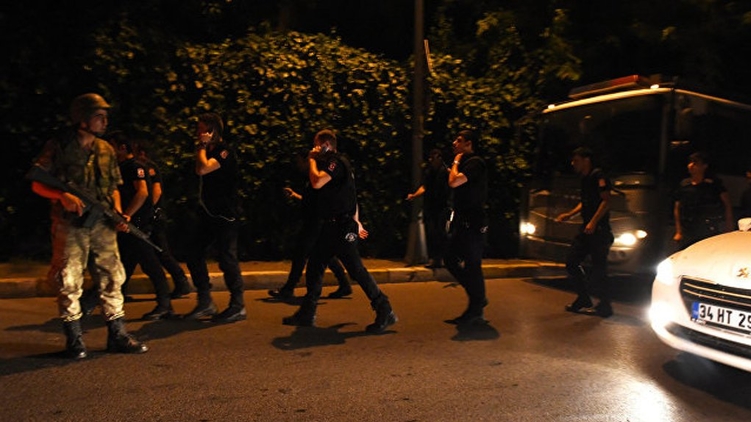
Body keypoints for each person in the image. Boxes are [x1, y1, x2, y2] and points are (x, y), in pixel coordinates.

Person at [30, 93, 148, 359]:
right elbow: (37, 182)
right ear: (82, 119)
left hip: (102, 224)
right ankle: (74, 340)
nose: (104, 121)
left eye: (105, 116)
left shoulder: (106, 149)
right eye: (99, 116)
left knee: (112, 276)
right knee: (68, 278)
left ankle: (117, 334)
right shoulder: (60, 146)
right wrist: (62, 196)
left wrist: (118, 214)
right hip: (70, 225)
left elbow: (113, 187)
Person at [283, 129, 397, 333]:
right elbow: (350, 195)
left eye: (317, 144)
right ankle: (307, 312)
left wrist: (311, 159)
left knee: (355, 269)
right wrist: (357, 221)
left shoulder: (336, 163)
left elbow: (317, 182)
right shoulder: (332, 165)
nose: (314, 148)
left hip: (342, 227)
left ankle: (384, 308)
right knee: (315, 265)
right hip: (331, 226)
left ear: (326, 145)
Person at [184, 112, 246, 323]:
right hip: (209, 213)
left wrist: (202, 146)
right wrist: (202, 148)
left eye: (201, 129)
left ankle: (237, 305)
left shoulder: (224, 151)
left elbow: (203, 169)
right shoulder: (208, 151)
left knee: (227, 258)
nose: (197, 133)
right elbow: (199, 169)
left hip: (226, 215)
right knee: (193, 251)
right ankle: (205, 301)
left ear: (212, 131)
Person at [268, 150, 353, 299]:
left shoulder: (318, 174)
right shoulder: (313, 175)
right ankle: (344, 284)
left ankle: (290, 288)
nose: (298, 165)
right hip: (317, 220)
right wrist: (296, 195)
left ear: (307, 160)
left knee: (301, 253)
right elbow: (312, 200)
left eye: (299, 161)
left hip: (315, 221)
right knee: (325, 254)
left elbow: (319, 198)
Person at [109, 132, 174, 320]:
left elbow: (143, 192)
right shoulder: (122, 167)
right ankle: (110, 299)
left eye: (112, 146)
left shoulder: (135, 166)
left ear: (122, 148)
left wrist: (128, 215)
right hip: (129, 222)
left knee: (149, 263)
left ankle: (165, 305)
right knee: (124, 262)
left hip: (137, 223)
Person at [555, 147, 614, 318]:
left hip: (599, 230)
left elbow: (606, 201)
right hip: (587, 229)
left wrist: (594, 222)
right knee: (571, 262)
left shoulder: (598, 176)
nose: (573, 163)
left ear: (586, 160)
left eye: (576, 160)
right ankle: (583, 298)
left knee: (599, 268)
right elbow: (585, 202)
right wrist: (569, 214)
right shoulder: (585, 178)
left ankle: (605, 306)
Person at [134, 142, 192, 299]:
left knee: (161, 252)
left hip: (153, 218)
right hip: (148, 217)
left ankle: (181, 283)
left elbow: (157, 191)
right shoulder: (142, 167)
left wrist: (148, 210)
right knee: (144, 254)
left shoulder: (148, 168)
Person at [443, 130, 489, 325]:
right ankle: (477, 298)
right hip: (463, 222)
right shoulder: (467, 163)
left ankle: (476, 307)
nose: (454, 143)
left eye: (459, 140)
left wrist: (455, 162)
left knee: (472, 265)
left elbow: (454, 182)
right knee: (451, 259)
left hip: (474, 223)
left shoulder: (475, 162)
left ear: (469, 144)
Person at [672, 151, 733, 250]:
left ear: (704, 166)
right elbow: (677, 207)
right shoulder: (684, 184)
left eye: (695, 163)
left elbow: (727, 204)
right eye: (690, 162)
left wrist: (729, 225)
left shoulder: (713, 184)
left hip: (708, 228)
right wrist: (678, 231)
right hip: (688, 228)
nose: (691, 166)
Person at [406, 148, 451, 269]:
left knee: (441, 232)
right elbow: (424, 187)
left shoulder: (445, 172)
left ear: (440, 158)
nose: (431, 161)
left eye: (433, 158)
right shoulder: (429, 172)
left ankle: (441, 258)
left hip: (443, 207)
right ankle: (435, 259)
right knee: (432, 232)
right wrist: (414, 195)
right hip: (431, 206)